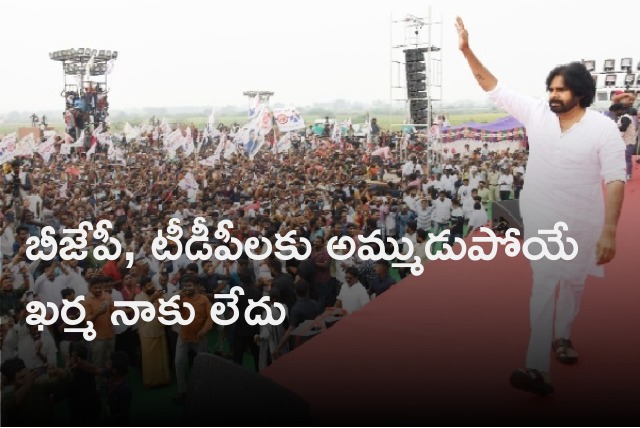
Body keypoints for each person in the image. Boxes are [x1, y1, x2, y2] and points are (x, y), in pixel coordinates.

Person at [456, 16, 625, 395]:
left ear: (579, 93)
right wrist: (467, 52)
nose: (552, 94)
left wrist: (610, 230)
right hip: (542, 219)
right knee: (545, 283)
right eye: (550, 88)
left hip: (584, 222)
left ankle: (562, 337)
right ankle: (536, 368)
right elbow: (492, 86)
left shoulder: (602, 129)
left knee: (573, 284)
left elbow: (615, 179)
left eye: (561, 90)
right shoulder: (536, 114)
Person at [609, 103, 637, 180]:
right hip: (625, 141)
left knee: (627, 159)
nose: (614, 113)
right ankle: (625, 173)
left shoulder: (625, 117)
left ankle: (628, 174)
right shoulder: (623, 117)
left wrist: (613, 127)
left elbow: (623, 128)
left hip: (628, 142)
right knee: (623, 159)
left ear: (620, 110)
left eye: (615, 111)